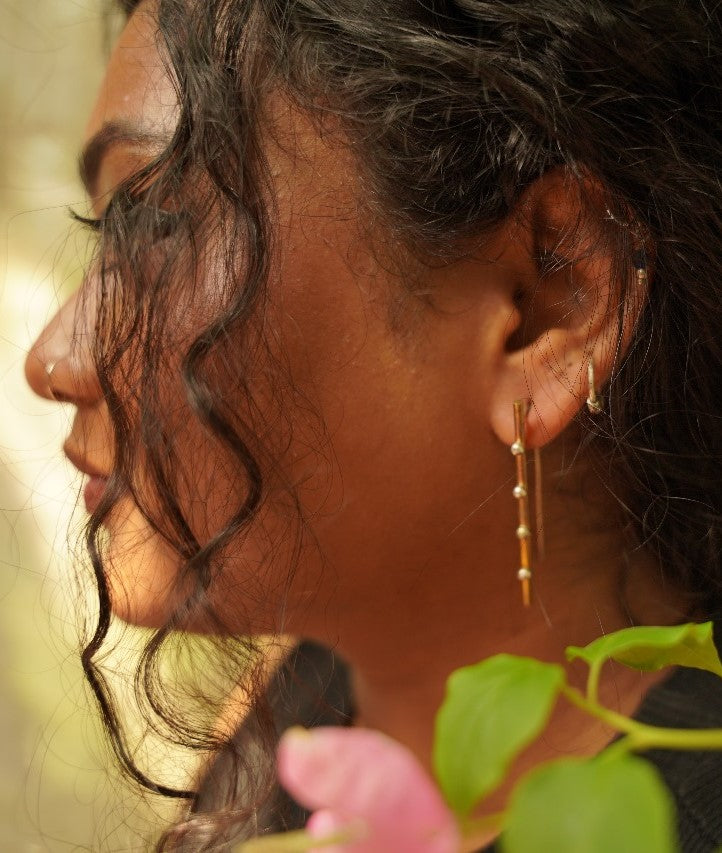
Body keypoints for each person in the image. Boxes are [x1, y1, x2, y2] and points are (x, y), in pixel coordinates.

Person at [23, 0, 722, 850]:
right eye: (105, 235)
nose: (54, 359)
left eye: (157, 224)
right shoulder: (308, 695)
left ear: (547, 307)